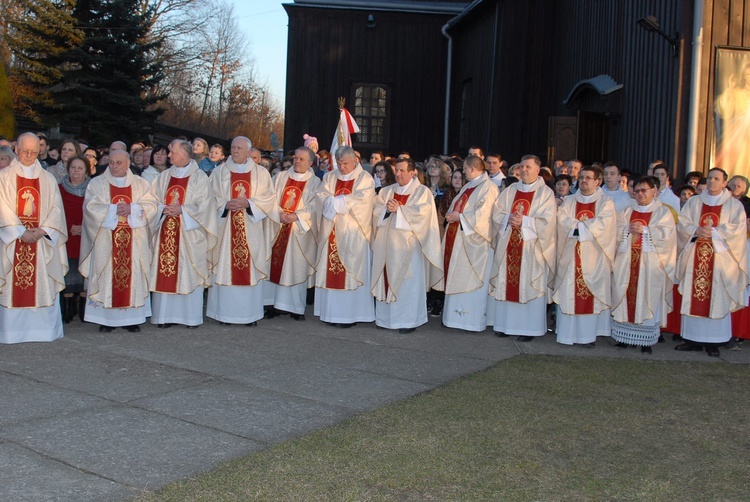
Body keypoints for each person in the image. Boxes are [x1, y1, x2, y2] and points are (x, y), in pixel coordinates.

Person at [79, 149, 158, 332]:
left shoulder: (140, 184)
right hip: (106, 243)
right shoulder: (97, 183)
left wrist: (133, 209)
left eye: (119, 162)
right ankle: (106, 320)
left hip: (134, 242)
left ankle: (132, 319)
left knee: (133, 277)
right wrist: (114, 211)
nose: (114, 166)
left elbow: (152, 206)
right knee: (107, 277)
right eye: (112, 162)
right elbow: (90, 208)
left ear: (128, 163)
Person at [0, 132, 68, 343]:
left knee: (42, 282)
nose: (29, 155)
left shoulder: (47, 179)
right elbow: (1, 206)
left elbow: (57, 209)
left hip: (40, 242)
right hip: (14, 241)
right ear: (16, 150)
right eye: (25, 151)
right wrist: (20, 231)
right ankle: (11, 333)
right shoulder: (3, 177)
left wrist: (42, 231)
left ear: (39, 151)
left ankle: (44, 331)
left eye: (33, 152)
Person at [674, 168, 749, 356]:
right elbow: (682, 224)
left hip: (720, 260)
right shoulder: (694, 202)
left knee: (717, 296)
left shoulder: (734, 206)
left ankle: (714, 341)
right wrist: (695, 230)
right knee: (694, 295)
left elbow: (738, 231)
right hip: (695, 257)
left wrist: (715, 232)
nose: (712, 182)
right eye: (710, 178)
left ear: (725, 183)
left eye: (717, 179)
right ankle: (691, 338)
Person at [206, 136, 276, 325]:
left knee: (249, 270)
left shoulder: (261, 174)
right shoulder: (219, 173)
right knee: (225, 268)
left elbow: (269, 198)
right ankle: (224, 315)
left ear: (248, 151)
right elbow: (209, 198)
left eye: (239, 148)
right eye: (233, 147)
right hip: (226, 230)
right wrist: (224, 204)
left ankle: (249, 316)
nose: (235, 151)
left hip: (250, 229)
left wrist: (249, 203)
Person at [149, 139, 217, 328]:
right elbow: (151, 201)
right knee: (166, 272)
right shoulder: (163, 177)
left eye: (173, 152)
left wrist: (183, 211)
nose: (169, 155)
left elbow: (206, 207)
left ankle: (190, 318)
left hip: (189, 234)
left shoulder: (199, 178)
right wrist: (162, 208)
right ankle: (163, 317)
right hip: (165, 232)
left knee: (188, 272)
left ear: (185, 154)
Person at [489, 154, 556, 342]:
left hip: (531, 249)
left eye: (528, 167)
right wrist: (507, 218)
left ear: (537, 170)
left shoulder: (545, 193)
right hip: (510, 244)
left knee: (528, 285)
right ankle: (505, 325)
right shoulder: (510, 190)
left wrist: (525, 221)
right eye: (522, 166)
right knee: (507, 283)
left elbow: (548, 222)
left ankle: (529, 329)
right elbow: (497, 212)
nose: (524, 170)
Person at [371, 157, 442, 333]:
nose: (398, 174)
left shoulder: (422, 192)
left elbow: (423, 216)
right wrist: (386, 210)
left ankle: (408, 321)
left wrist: (400, 210)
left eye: (402, 171)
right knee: (387, 280)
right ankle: (385, 320)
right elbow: (375, 210)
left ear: (413, 172)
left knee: (407, 285)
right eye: (397, 170)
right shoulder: (387, 191)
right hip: (386, 247)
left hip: (409, 249)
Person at [611, 176, 677, 354]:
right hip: (627, 263)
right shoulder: (626, 212)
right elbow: (615, 233)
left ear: (654, 192)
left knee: (648, 298)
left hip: (650, 266)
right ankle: (624, 338)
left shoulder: (663, 213)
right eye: (637, 190)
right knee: (625, 296)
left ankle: (646, 342)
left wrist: (646, 230)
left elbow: (667, 237)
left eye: (644, 190)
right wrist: (626, 230)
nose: (639, 194)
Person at [553, 165, 617, 346]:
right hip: (570, 257)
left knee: (591, 294)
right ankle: (567, 334)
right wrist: (581, 226)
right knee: (569, 293)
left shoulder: (606, 202)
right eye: (581, 177)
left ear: (598, 181)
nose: (583, 181)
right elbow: (561, 220)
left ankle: (588, 336)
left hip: (594, 258)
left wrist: (578, 227)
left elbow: (605, 224)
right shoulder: (570, 201)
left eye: (588, 177)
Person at [314, 145, 375, 327]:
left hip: (354, 234)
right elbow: (321, 196)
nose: (342, 167)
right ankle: (331, 314)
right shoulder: (331, 176)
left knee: (351, 272)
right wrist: (331, 202)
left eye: (345, 163)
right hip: (332, 231)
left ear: (355, 160)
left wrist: (337, 202)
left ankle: (351, 316)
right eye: (339, 163)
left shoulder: (365, 178)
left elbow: (363, 201)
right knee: (331, 271)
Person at [438, 155, 499, 332]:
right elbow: (457, 207)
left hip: (475, 245)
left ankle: (470, 321)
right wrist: (452, 215)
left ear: (472, 168)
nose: (462, 171)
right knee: (457, 277)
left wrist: (460, 217)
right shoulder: (469, 185)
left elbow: (484, 216)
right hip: (459, 241)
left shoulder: (488, 188)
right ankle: (453, 318)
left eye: (464, 168)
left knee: (471, 280)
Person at [265, 146, 320, 320]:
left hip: (298, 231)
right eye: (296, 158)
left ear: (310, 162)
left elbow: (315, 206)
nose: (297, 161)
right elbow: (270, 198)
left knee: (295, 267)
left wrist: (296, 216)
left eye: (302, 159)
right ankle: (272, 304)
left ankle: (295, 308)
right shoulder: (280, 177)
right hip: (278, 225)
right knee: (274, 265)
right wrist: (279, 213)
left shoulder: (315, 182)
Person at [59, 155, 91, 323]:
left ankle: (84, 309)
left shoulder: (94, 189)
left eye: (80, 168)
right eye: (73, 167)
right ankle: (68, 308)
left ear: (86, 172)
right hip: (67, 236)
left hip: (87, 237)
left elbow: (96, 211)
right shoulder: (59, 189)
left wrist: (84, 227)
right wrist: (70, 226)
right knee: (69, 272)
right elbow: (56, 210)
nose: (76, 171)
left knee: (86, 272)